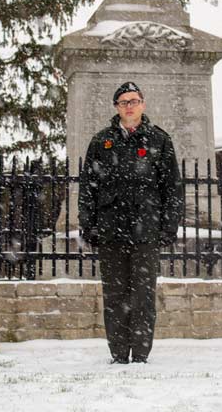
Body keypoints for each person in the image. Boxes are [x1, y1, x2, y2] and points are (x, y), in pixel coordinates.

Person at [79, 82, 183, 364]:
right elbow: (88, 187)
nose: (129, 106)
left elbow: (172, 188)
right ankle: (118, 353)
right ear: (116, 107)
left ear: (143, 105)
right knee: (114, 295)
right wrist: (89, 225)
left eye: (134, 101)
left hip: (146, 231)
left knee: (143, 296)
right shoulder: (102, 141)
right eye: (124, 101)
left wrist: (168, 226)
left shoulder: (159, 141)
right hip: (111, 230)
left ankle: (140, 353)